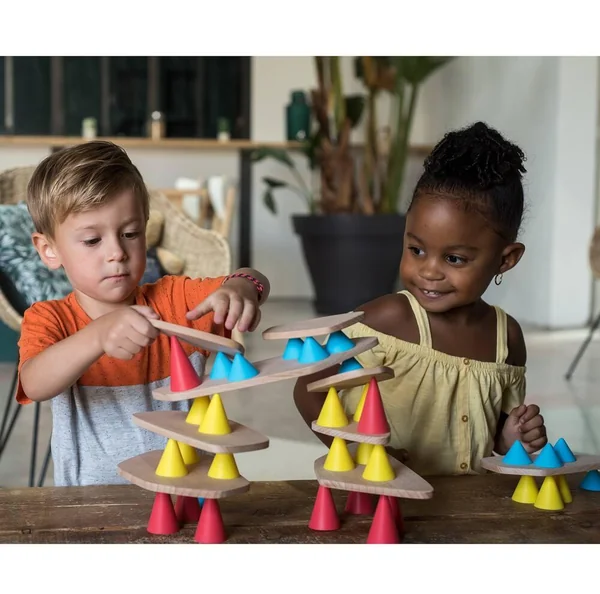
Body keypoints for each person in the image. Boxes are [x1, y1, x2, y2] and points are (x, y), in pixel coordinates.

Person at [294, 121, 547, 477]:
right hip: (385, 503)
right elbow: (308, 391)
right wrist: (358, 452)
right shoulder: (383, 321)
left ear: (505, 259)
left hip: (469, 507)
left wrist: (510, 438)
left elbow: (487, 433)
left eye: (454, 258)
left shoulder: (507, 339)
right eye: (416, 249)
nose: (428, 271)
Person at [16, 141, 271, 486]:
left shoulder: (175, 300)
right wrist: (97, 336)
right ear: (49, 249)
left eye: (130, 233)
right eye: (92, 240)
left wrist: (242, 288)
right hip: (92, 503)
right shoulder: (50, 319)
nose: (117, 252)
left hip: (188, 492)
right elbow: (34, 383)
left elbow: (252, 278)